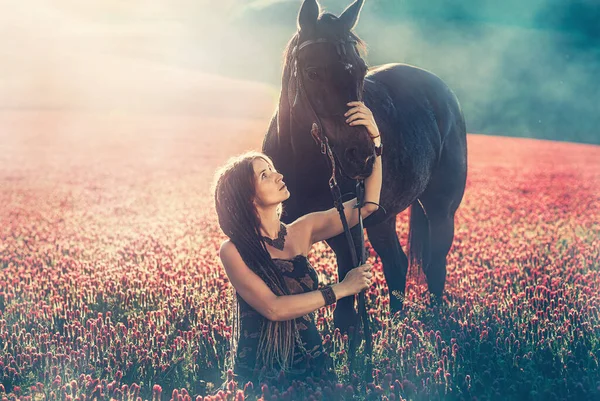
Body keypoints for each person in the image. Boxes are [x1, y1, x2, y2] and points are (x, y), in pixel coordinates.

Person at [212, 101, 383, 390]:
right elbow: (274, 309)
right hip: (260, 371)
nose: (278, 176)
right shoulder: (233, 250)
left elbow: (368, 204)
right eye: (264, 175)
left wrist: (375, 140)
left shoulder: (302, 230)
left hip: (311, 362)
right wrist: (342, 288)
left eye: (273, 169)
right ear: (246, 196)